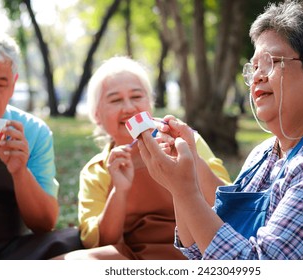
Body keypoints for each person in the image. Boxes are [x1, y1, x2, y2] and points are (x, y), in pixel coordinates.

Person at [137, 0, 303, 259]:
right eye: (254, 67)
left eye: (272, 62)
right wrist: (189, 166)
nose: (258, 77)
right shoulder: (265, 152)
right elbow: (211, 245)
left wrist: (185, 189)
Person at [53, 56, 231, 259]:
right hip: (133, 259)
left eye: (136, 97)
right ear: (96, 115)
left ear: (150, 104)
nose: (128, 108)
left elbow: (228, 203)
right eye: (115, 100)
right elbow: (99, 242)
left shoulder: (186, 141)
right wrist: (119, 191)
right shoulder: (97, 170)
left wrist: (190, 157)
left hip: (198, 252)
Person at [0, 33, 83, 259]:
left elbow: (44, 224)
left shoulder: (32, 131)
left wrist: (20, 171)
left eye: (0, 84)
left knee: (74, 242)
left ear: (13, 85)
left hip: (9, 249)